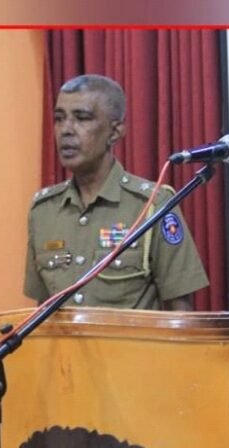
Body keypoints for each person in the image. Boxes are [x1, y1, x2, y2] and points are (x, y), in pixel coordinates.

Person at [24, 74, 209, 310]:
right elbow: (42, 308)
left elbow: (181, 311)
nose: (66, 130)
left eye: (82, 118)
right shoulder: (44, 211)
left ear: (115, 131)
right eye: (59, 119)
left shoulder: (151, 205)